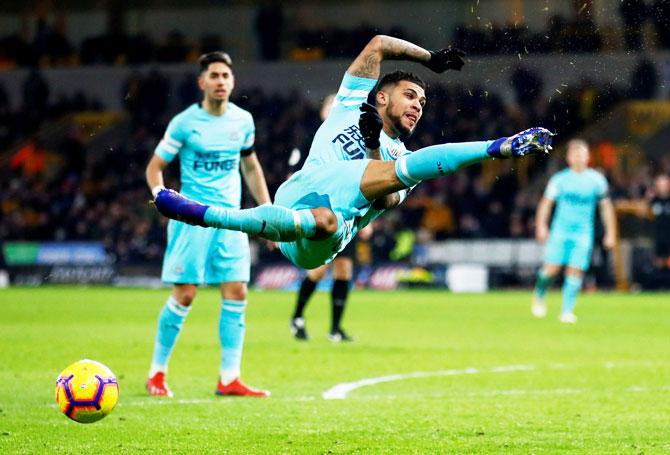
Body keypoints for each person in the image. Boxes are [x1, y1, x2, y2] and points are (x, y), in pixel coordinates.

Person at [153, 35, 553, 281]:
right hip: (294, 196)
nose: (418, 106)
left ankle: (206, 215)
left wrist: (376, 147)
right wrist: (429, 59)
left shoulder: (400, 157)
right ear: (381, 96)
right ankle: (221, 216)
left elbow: (384, 199)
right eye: (411, 96)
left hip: (321, 237)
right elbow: (379, 44)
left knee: (331, 217)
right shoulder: (348, 104)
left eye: (424, 102)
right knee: (320, 207)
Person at [144, 51, 272, 398]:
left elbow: (250, 167)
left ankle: (229, 377)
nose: (220, 81)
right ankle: (156, 373)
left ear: (232, 82)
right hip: (192, 218)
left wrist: (268, 211)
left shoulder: (243, 121)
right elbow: (154, 167)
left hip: (231, 220)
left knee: (237, 291)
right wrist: (160, 195)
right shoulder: (185, 123)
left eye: (225, 76)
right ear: (202, 83)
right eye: (213, 76)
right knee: (185, 294)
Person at [288, 94, 370, 342]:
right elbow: (294, 175)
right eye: (329, 106)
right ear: (323, 111)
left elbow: (366, 179)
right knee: (319, 269)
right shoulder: (310, 139)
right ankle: (297, 317)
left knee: (344, 268)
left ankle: (335, 328)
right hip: (319, 212)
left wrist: (367, 218)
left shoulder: (354, 143)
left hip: (346, 213)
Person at [532, 139, 616, 323]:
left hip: (583, 232)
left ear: (588, 157)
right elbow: (546, 204)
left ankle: (566, 311)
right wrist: (541, 226)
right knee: (551, 270)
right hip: (560, 231)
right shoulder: (560, 179)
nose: (579, 158)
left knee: (575, 270)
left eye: (582, 154)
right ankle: (539, 294)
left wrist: (611, 232)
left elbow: (606, 208)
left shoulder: (597, 180)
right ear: (569, 157)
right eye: (575, 154)